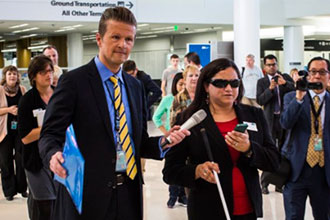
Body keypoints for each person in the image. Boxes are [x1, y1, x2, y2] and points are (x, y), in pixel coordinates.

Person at [38, 7, 189, 220]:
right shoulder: (74, 82)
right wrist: (53, 155)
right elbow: (50, 134)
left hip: (127, 193)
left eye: (129, 39)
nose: (123, 45)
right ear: (99, 39)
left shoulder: (135, 87)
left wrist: (164, 142)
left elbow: (138, 141)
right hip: (85, 196)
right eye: (116, 37)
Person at [163, 58, 280, 220]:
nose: (228, 89)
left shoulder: (254, 114)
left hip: (247, 209)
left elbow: (273, 161)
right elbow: (170, 172)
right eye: (220, 83)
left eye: (234, 83)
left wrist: (249, 149)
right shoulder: (190, 119)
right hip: (208, 209)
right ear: (205, 86)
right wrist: (196, 171)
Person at [280, 57, 330, 220]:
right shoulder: (291, 97)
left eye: (322, 72)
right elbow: (285, 123)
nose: (317, 76)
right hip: (296, 170)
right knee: (294, 216)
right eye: (313, 72)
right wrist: (299, 98)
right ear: (308, 75)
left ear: (328, 76)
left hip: (324, 173)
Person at [18, 55, 56, 220]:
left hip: (58, 156)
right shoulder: (27, 101)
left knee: (54, 202)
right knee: (45, 204)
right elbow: (25, 137)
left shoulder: (59, 95)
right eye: (43, 72)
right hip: (36, 161)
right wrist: (49, 127)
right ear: (33, 76)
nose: (48, 75)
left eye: (50, 71)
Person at [256, 54, 295, 194]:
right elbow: (260, 100)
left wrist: (285, 84)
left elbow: (296, 92)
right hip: (270, 121)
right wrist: (270, 89)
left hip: (285, 120)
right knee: (270, 152)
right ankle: (264, 183)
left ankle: (279, 183)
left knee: (284, 152)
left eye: (274, 64)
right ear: (264, 67)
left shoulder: (285, 78)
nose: (272, 67)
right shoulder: (261, 82)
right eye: (269, 65)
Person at [166, 65, 200, 209]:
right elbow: (174, 123)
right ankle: (175, 197)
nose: (194, 79)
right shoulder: (178, 99)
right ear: (184, 79)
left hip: (201, 143)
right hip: (184, 142)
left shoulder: (204, 97)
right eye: (191, 76)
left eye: (197, 75)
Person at [0, 65, 28, 201]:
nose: (12, 76)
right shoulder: (0, 90)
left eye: (15, 74)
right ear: (5, 76)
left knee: (21, 159)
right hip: (4, 131)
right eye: (10, 74)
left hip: (19, 131)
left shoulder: (22, 90)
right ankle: (9, 191)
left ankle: (22, 188)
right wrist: (8, 110)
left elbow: (27, 107)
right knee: (5, 161)